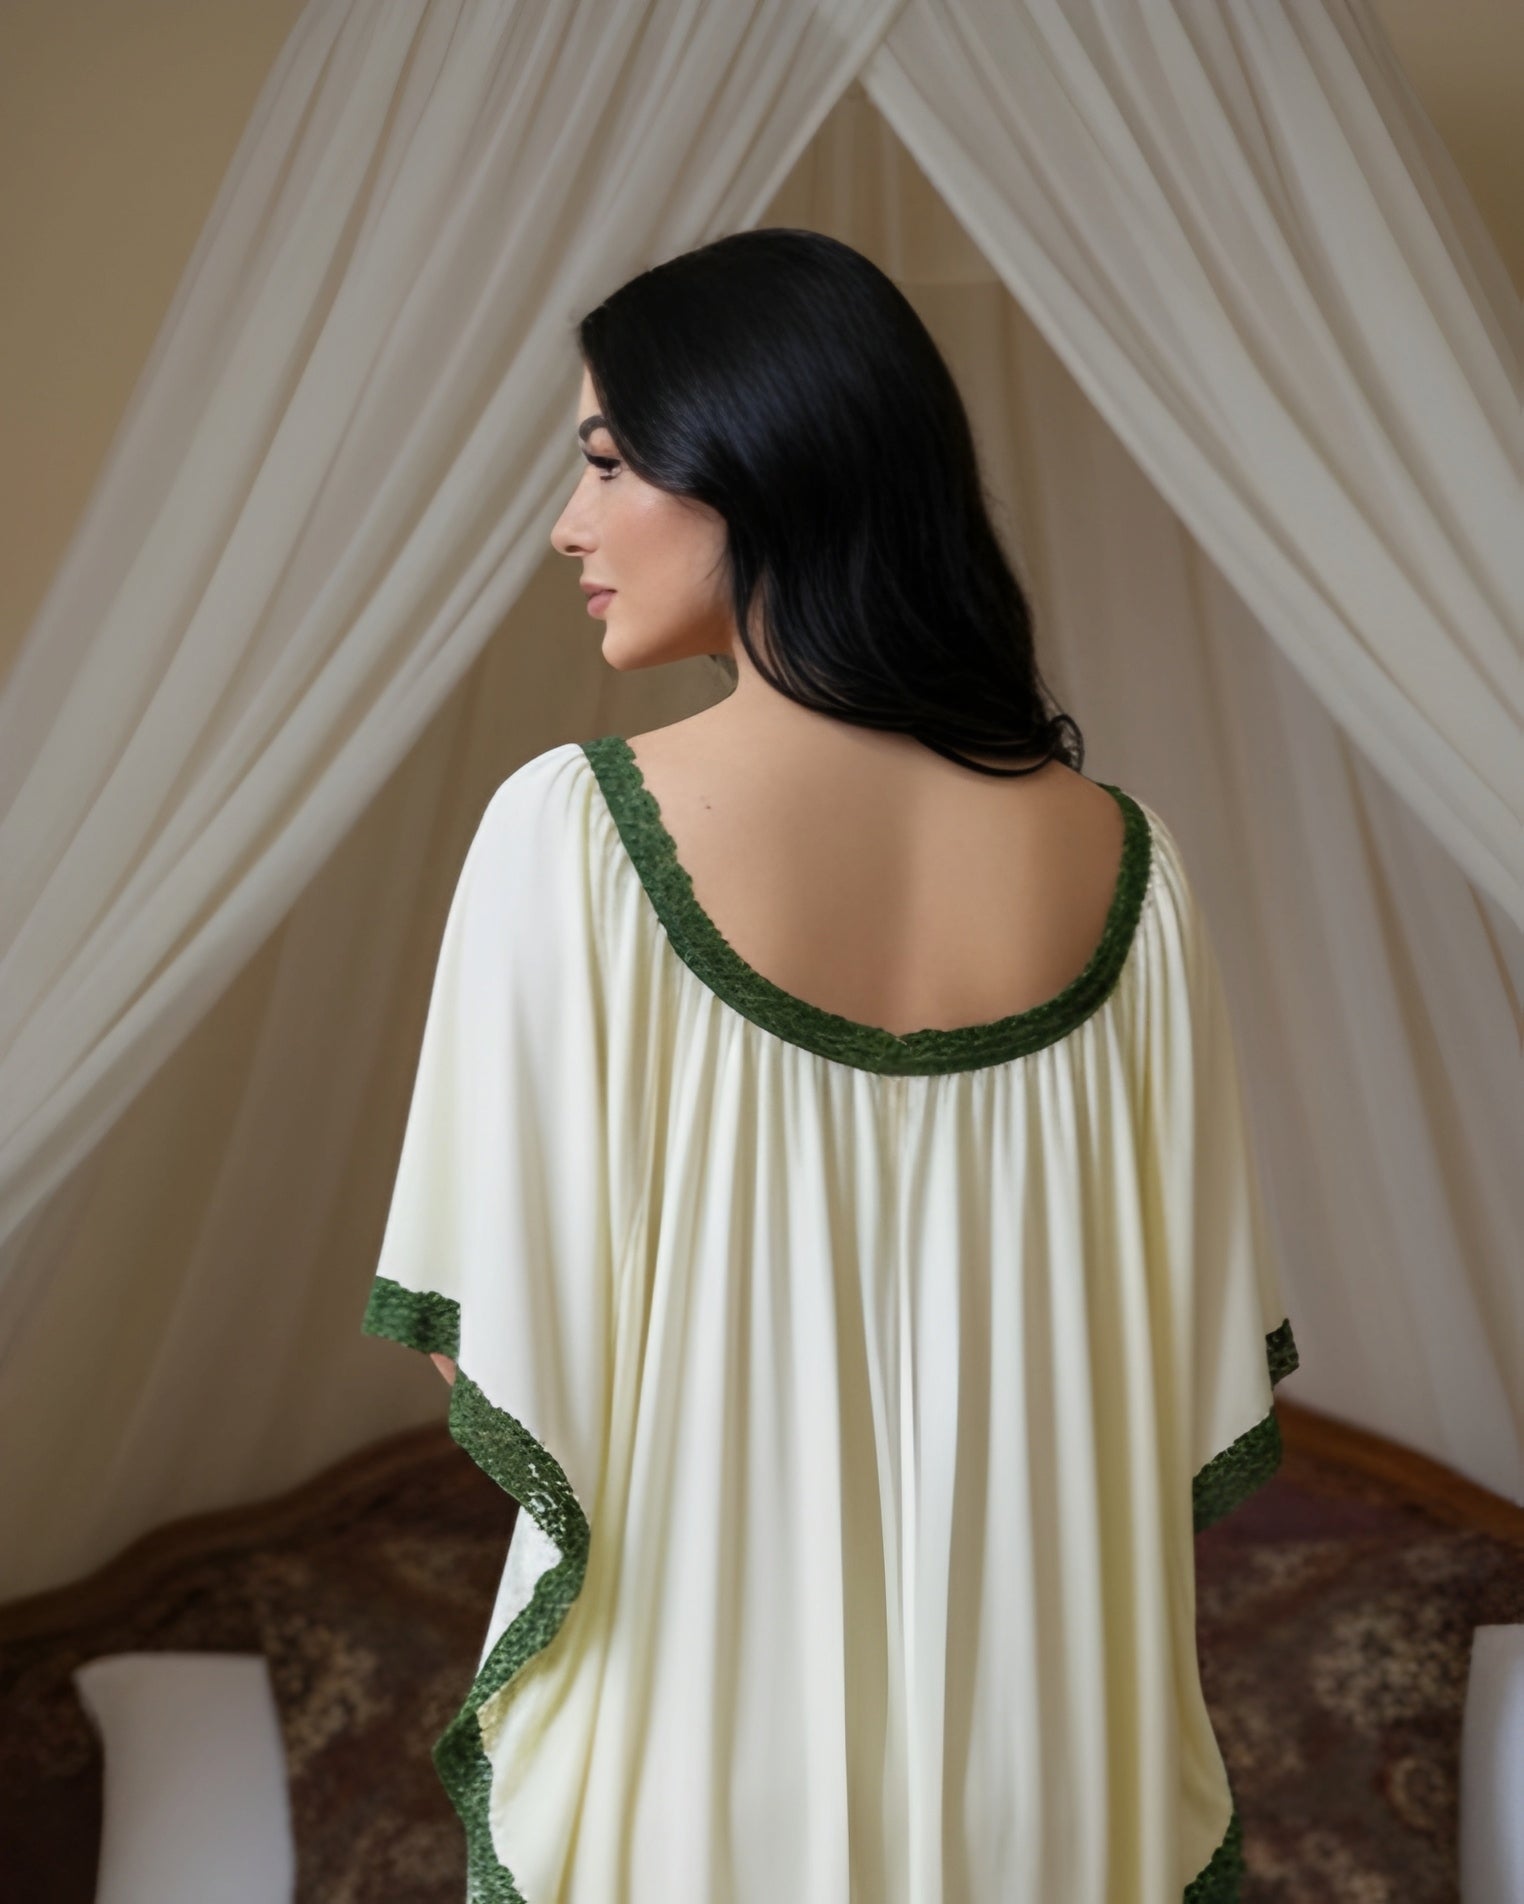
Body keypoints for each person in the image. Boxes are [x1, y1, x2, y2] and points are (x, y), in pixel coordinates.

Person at [361, 228, 1299, 1903]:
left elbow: (482, 1346)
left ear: (761, 459)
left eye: (607, 460)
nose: (569, 522)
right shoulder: (1137, 871)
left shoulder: (573, 837)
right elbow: (1184, 1388)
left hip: (708, 1773)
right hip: (1043, 1783)